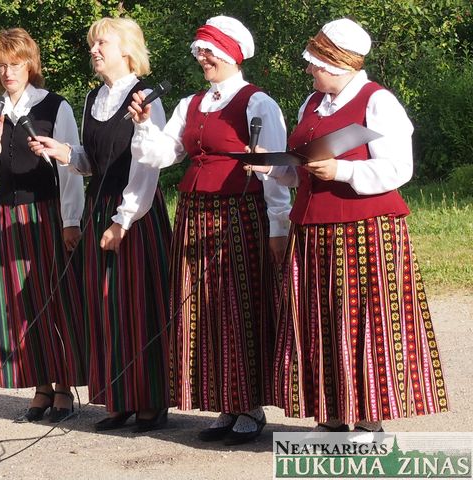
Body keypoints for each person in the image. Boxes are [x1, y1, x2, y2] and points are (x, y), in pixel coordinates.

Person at [252, 18, 449, 436]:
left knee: (361, 324)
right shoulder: (312, 103)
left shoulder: (377, 101)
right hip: (313, 231)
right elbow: (302, 171)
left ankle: (368, 421)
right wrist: (271, 165)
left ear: (336, 63)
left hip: (363, 232)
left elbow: (399, 168)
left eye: (315, 62)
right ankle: (332, 415)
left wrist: (342, 170)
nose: (310, 69)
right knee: (319, 322)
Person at [127, 15, 291, 444]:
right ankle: (225, 403)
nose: (203, 58)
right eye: (200, 52)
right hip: (194, 213)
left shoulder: (258, 103)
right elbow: (162, 154)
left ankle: (249, 406)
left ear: (231, 54)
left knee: (237, 306)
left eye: (209, 52)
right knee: (203, 309)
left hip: (240, 216)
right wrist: (143, 123)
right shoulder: (191, 103)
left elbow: (274, 167)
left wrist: (279, 224)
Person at [29, 17, 172, 433]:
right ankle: (120, 398)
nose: (93, 50)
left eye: (101, 43)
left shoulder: (145, 96)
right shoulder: (95, 98)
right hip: (100, 207)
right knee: (105, 305)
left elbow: (147, 167)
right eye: (92, 44)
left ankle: (151, 402)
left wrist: (123, 221)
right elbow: (94, 161)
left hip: (135, 212)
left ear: (126, 49)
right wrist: (64, 152)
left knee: (138, 305)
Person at [0, 28, 86, 423]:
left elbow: (70, 170)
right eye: (0, 65)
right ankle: (41, 384)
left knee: (56, 299)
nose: (7, 72)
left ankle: (64, 386)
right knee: (19, 301)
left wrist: (71, 221)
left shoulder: (54, 107)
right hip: (7, 214)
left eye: (15, 64)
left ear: (30, 65)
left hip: (47, 211)